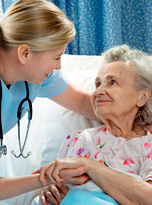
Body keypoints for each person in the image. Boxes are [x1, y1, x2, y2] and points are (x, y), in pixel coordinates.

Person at [0, 0, 98, 200]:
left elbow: (82, 103)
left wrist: (140, 116)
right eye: (56, 57)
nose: (59, 66)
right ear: (25, 53)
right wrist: (48, 177)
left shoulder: (36, 75)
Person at [34, 45, 152, 205]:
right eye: (97, 84)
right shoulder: (77, 139)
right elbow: (50, 182)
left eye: (112, 82)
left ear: (142, 97)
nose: (98, 92)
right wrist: (49, 189)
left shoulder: (148, 146)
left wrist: (90, 166)